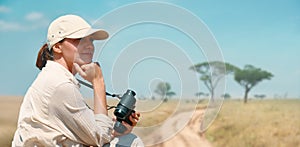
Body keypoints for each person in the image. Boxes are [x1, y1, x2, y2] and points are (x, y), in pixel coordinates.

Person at [12, 14, 144, 147]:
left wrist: (117, 132)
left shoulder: (54, 77)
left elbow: (87, 132)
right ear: (57, 47)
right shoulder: (61, 85)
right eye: (79, 40)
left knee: (126, 139)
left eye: (91, 40)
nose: (89, 46)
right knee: (133, 143)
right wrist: (98, 81)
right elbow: (100, 138)